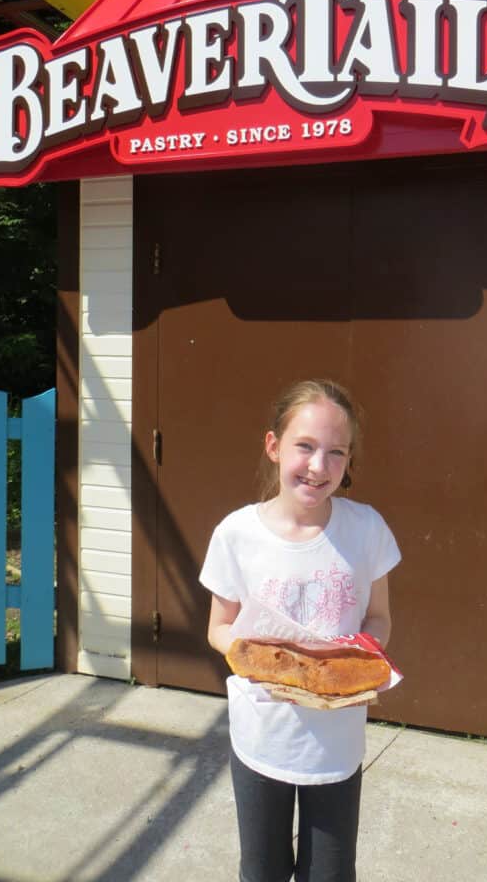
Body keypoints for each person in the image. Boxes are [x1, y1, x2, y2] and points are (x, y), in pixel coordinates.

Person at [199, 378, 401, 882]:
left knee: (331, 873)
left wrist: (361, 658)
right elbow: (218, 628)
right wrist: (257, 656)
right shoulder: (237, 534)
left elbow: (379, 618)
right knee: (262, 870)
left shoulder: (366, 529)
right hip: (262, 733)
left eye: (337, 452)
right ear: (273, 446)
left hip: (336, 743)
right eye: (305, 447)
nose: (319, 466)